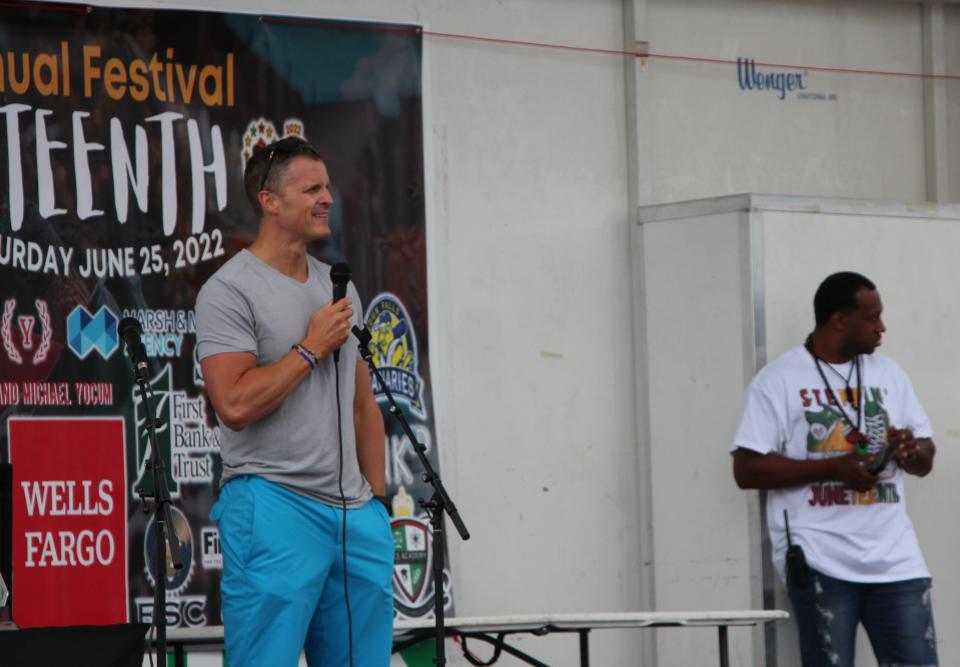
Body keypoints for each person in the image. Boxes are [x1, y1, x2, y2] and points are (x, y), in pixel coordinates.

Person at [195, 136, 393, 667]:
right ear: (270, 200)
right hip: (275, 505)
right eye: (312, 189)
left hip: (354, 519)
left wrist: (374, 504)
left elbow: (362, 404)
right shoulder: (229, 290)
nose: (327, 198)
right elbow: (233, 403)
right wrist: (310, 348)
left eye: (328, 187)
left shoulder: (336, 285)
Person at [731, 271, 938, 667]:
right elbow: (746, 469)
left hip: (896, 560)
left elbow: (926, 455)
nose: (882, 327)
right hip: (820, 558)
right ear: (839, 320)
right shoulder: (778, 380)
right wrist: (832, 468)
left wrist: (913, 452)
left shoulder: (889, 374)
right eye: (871, 318)